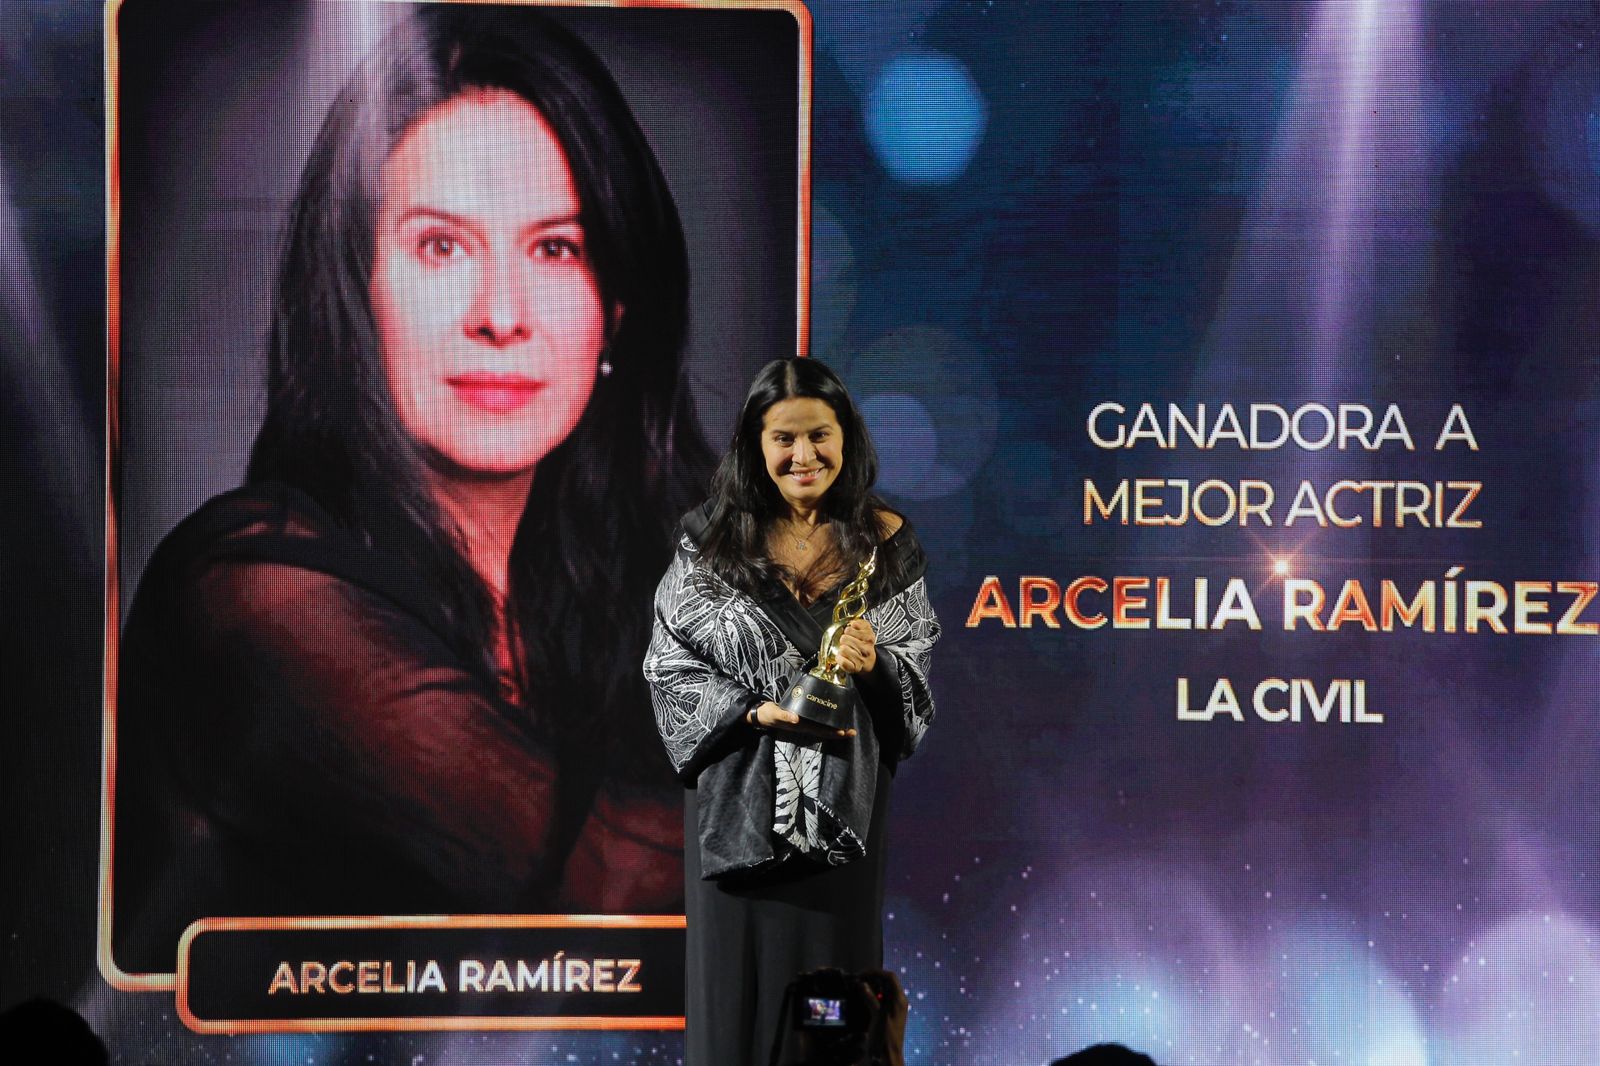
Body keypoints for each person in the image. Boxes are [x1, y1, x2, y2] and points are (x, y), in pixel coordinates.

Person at [111, 6, 711, 974]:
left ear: (617, 304)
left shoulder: (639, 578)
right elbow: (599, 878)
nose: (501, 316)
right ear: (352, 291)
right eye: (441, 247)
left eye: (555, 248)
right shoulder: (249, 594)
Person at [644, 358, 940, 1065]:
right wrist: (752, 713)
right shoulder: (710, 541)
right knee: (738, 1001)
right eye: (784, 439)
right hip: (735, 822)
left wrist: (876, 664)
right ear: (755, 446)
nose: (803, 455)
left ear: (848, 439)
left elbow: (916, 676)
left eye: (819, 436)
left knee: (831, 1005)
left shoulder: (886, 541)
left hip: (841, 816)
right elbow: (668, 666)